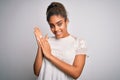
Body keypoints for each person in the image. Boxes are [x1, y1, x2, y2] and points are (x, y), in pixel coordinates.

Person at [33, 2, 87, 80]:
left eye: (59, 24)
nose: (56, 29)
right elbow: (37, 72)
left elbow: (76, 73)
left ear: (67, 21)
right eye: (52, 26)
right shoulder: (46, 41)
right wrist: (40, 45)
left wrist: (49, 56)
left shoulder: (79, 42)